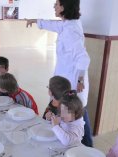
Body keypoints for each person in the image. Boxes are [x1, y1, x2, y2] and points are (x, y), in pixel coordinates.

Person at [26, 0, 92, 147]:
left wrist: (80, 79)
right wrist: (36, 21)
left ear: (64, 7)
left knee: (77, 116)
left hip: (72, 82)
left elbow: (83, 57)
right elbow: (54, 25)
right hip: (66, 81)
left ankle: (87, 148)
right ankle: (78, 142)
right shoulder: (69, 23)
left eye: (56, 4)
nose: (54, 7)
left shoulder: (70, 30)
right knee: (76, 115)